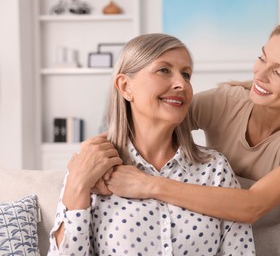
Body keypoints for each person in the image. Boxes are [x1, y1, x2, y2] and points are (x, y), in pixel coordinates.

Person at [91, 17, 280, 255]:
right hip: (224, 230)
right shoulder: (227, 102)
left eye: (279, 72)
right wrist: (88, 158)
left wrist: (149, 185)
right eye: (262, 58)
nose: (259, 76)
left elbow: (252, 205)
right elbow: (149, 118)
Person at [48, 33, 255, 255]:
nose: (181, 84)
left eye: (186, 75)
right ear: (125, 86)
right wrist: (78, 183)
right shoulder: (92, 166)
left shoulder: (214, 169)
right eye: (164, 70)